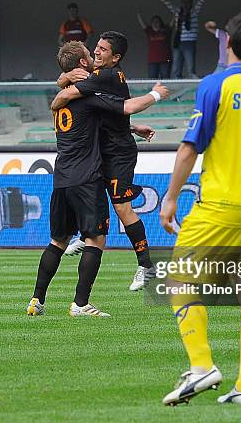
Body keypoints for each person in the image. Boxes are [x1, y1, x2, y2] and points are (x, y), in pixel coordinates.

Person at [159, 9, 241, 405]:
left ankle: (202, 368)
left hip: (220, 204)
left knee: (180, 280)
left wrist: (170, 197)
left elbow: (189, 147)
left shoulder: (215, 84)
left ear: (227, 42)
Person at [26, 41, 168, 317]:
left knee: (58, 241)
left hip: (61, 179)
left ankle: (36, 300)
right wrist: (156, 94)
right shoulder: (88, 96)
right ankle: (80, 304)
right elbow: (127, 106)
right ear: (81, 65)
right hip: (86, 178)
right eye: (90, 55)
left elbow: (97, 119)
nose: (94, 56)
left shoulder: (65, 100)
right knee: (96, 239)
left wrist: (132, 130)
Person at [54, 31, 159, 292]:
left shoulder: (105, 76)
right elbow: (107, 115)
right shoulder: (106, 76)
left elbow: (62, 97)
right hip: (106, 149)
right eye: (96, 48)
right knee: (91, 194)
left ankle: (146, 265)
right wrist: (133, 128)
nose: (97, 52)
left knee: (122, 207)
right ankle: (85, 234)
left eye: (102, 49)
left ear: (116, 57)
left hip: (118, 154)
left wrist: (156, 94)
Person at [152, 0, 213, 78]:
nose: (186, 4)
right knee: (176, 68)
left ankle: (192, 87)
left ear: (191, 3)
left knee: (190, 68)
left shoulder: (194, 11)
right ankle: (177, 86)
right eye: (184, 2)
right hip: (178, 42)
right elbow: (166, 1)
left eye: (188, 2)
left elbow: (202, 0)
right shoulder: (177, 11)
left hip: (189, 43)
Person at [137, 13, 172, 78]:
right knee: (152, 79)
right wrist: (138, 13)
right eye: (153, 22)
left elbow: (173, 22)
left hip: (166, 60)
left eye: (157, 22)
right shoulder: (149, 31)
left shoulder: (166, 30)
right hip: (152, 60)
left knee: (165, 79)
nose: (155, 23)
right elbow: (142, 23)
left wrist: (177, 12)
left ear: (160, 23)